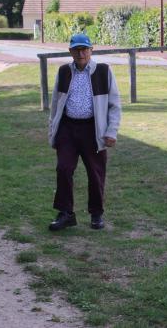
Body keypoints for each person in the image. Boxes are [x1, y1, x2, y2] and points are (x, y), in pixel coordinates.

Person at [48, 33, 121, 231]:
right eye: (76, 49)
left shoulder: (103, 71)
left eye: (84, 49)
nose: (81, 53)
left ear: (91, 50)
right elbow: (55, 103)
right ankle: (65, 213)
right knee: (63, 169)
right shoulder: (64, 72)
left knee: (96, 173)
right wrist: (53, 130)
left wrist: (111, 131)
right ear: (70, 51)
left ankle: (96, 214)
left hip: (93, 129)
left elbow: (114, 105)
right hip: (68, 128)